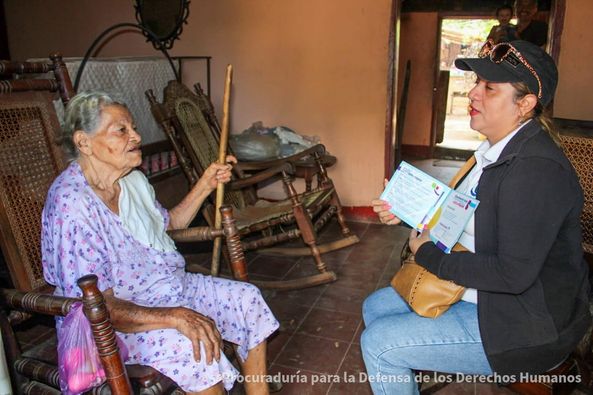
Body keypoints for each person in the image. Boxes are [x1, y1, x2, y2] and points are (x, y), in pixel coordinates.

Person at [361, 40, 591, 394]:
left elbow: (512, 274)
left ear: (525, 105)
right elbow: (464, 222)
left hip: (524, 322)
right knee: (374, 308)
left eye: (490, 88)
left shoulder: (534, 172)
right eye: (476, 83)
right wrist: (409, 213)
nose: (473, 94)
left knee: (380, 343)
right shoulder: (491, 153)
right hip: (484, 293)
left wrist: (427, 254)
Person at [41, 91, 280, 395]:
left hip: (169, 288)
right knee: (195, 347)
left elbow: (169, 225)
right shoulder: (72, 203)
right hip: (117, 322)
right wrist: (176, 316)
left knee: (248, 300)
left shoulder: (130, 181)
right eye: (122, 130)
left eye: (134, 127)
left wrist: (207, 182)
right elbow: (99, 306)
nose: (137, 136)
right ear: (84, 142)